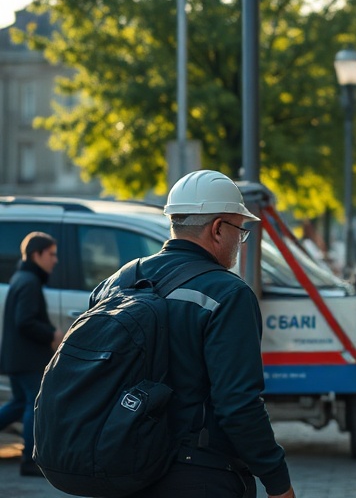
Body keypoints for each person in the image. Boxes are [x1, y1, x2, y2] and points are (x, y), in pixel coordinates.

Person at [91, 169, 296, 498]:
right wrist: (277, 480)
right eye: (239, 231)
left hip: (123, 469)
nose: (239, 242)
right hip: (200, 474)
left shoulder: (116, 283)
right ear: (218, 229)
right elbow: (239, 405)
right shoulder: (228, 295)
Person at [0, 232, 62, 477]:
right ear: (37, 255)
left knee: (18, 404)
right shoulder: (29, 282)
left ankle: (29, 458)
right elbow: (25, 321)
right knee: (32, 406)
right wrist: (51, 334)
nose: (55, 260)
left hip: (18, 358)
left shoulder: (23, 277)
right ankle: (29, 461)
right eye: (52, 254)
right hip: (27, 359)